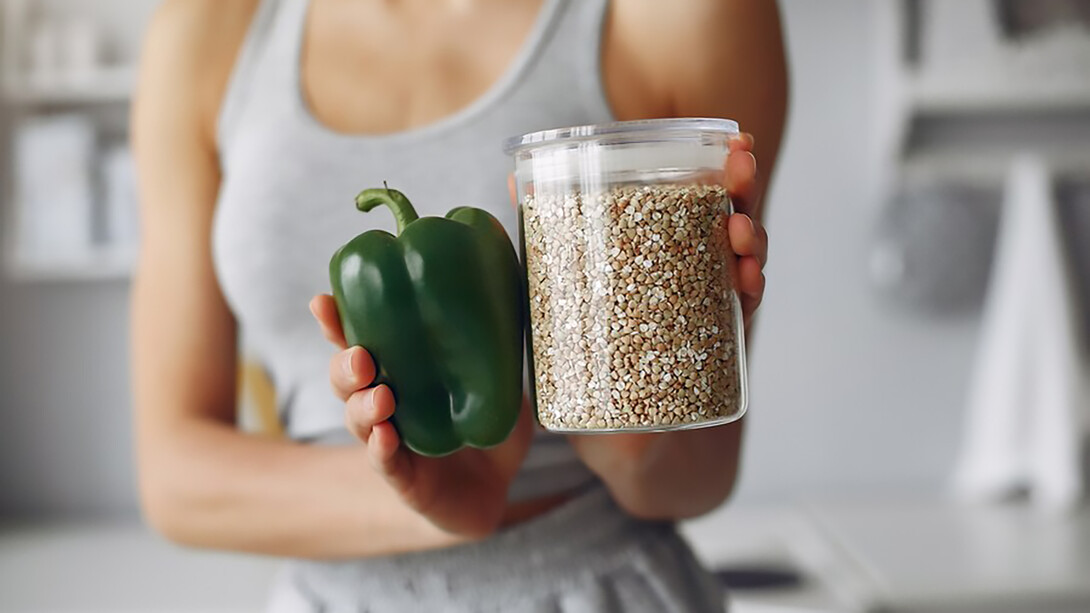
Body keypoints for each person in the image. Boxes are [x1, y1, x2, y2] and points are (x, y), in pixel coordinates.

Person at [130, 0, 787, 610]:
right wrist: (435, 498)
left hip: (603, 586)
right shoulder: (212, 27)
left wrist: (640, 408)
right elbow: (175, 479)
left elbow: (699, 478)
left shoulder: (683, 16)